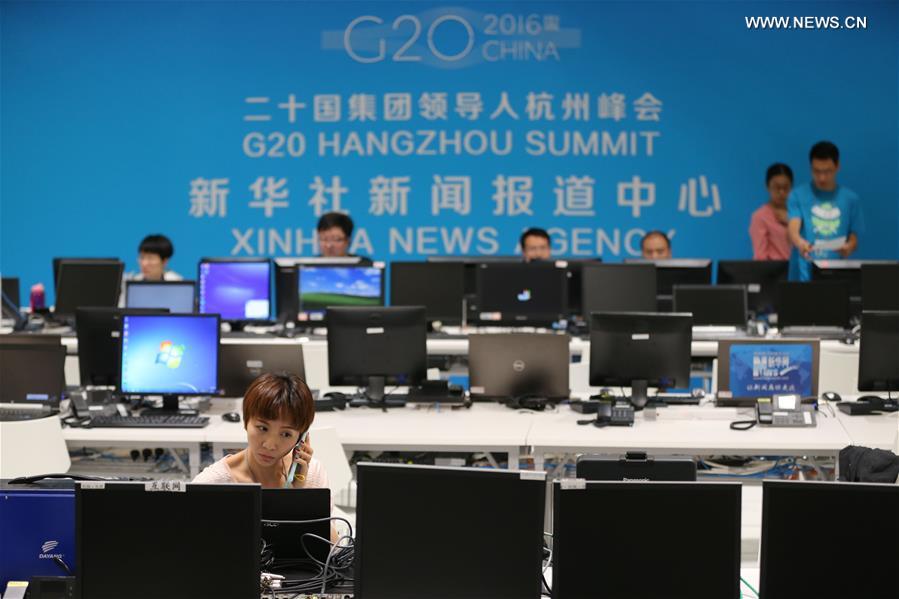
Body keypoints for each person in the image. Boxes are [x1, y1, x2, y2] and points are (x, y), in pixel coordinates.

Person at [194, 372, 328, 491]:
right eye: (263, 428)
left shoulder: (311, 474)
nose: (270, 445)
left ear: (301, 437)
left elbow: (327, 520)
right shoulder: (212, 484)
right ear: (246, 422)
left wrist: (297, 492)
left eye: (286, 434)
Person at [787, 141, 865, 281]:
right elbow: (794, 227)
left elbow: (854, 237)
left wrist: (849, 247)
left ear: (837, 167)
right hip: (804, 272)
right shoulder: (798, 195)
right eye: (816, 171)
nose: (821, 177)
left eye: (827, 171)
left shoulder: (850, 199)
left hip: (836, 273)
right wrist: (800, 243)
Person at [749, 163, 793, 260]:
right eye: (777, 187)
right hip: (774, 273)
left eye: (786, 187)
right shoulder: (760, 216)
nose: (781, 192)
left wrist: (791, 222)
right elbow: (760, 256)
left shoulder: (798, 214)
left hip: (800, 271)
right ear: (768, 186)